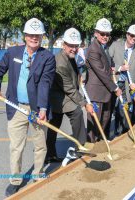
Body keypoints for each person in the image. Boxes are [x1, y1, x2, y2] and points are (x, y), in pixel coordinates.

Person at [0, 18, 56, 196]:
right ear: (25, 36)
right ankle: (15, 180)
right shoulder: (13, 52)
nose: (34, 37)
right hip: (15, 106)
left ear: (42, 37)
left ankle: (38, 173)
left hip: (37, 109)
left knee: (40, 145)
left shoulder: (48, 57)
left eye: (38, 35)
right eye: (31, 34)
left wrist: (42, 109)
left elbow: (45, 83)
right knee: (16, 147)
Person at [46, 28, 94, 162]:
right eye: (71, 46)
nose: (74, 48)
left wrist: (79, 77)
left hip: (64, 93)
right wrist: (84, 103)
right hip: (58, 97)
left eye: (76, 46)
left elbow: (74, 73)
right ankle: (80, 147)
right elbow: (69, 90)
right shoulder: (60, 62)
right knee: (77, 112)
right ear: (64, 45)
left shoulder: (70, 56)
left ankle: (50, 153)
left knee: (54, 125)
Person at [85, 18, 122, 142]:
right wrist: (115, 88)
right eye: (102, 33)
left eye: (107, 34)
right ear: (96, 33)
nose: (105, 36)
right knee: (94, 124)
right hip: (96, 93)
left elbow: (105, 67)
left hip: (105, 93)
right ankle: (91, 147)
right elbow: (101, 73)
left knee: (104, 120)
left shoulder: (103, 48)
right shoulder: (93, 49)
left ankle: (98, 143)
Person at [109, 24, 135, 135]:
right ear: (127, 34)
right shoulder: (115, 46)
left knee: (123, 112)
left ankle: (120, 134)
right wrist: (119, 68)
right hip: (113, 83)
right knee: (109, 111)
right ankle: (105, 137)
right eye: (131, 35)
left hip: (127, 87)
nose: (133, 38)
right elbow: (106, 61)